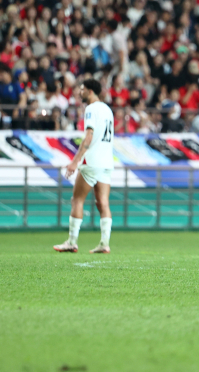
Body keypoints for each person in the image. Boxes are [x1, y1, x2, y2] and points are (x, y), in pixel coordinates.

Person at [54, 79, 114, 254]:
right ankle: (104, 243)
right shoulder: (107, 109)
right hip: (106, 162)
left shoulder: (91, 109)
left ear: (89, 91)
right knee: (103, 202)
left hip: (92, 161)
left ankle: (72, 242)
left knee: (77, 200)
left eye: (82, 89)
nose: (80, 92)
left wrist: (75, 161)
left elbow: (89, 136)